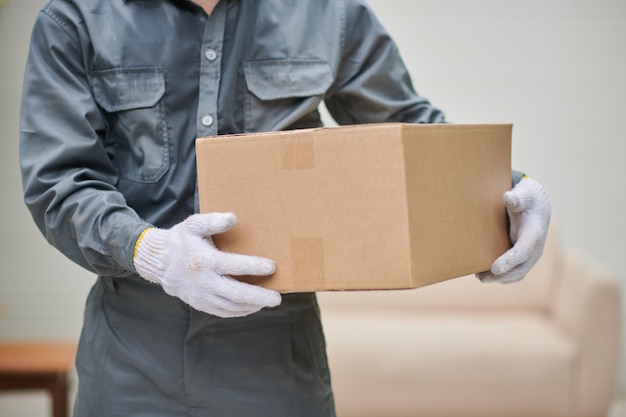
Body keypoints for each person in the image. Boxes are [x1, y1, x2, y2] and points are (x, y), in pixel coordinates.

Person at [19, 0, 551, 416]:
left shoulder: (327, 14)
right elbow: (60, 180)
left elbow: (410, 131)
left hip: (277, 353)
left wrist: (505, 192)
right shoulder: (76, 19)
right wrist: (151, 252)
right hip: (132, 353)